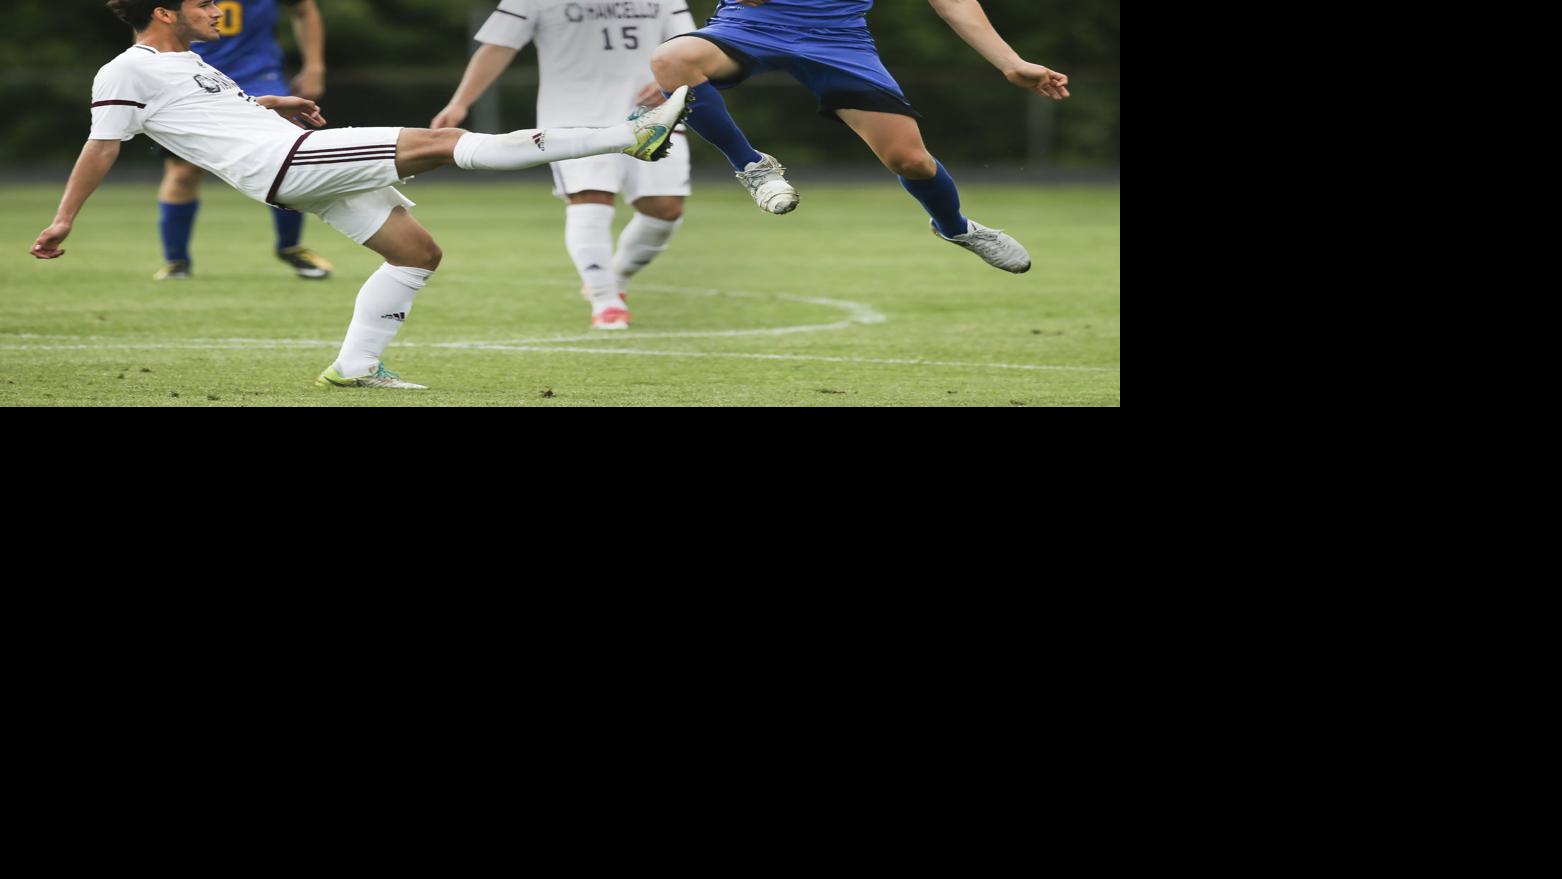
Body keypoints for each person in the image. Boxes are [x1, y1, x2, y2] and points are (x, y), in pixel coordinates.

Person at [31, 0, 691, 390]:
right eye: (203, 3)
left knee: (416, 254)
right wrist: (64, 220)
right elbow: (105, 143)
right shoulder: (125, 68)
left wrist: (273, 99)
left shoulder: (186, 63)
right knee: (446, 140)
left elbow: (206, 115)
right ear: (164, 11)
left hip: (284, 157)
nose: (216, 10)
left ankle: (356, 366)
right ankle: (627, 137)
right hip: (288, 161)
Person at [649, 0, 1070, 273]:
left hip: (840, 42)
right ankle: (752, 166)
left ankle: (955, 227)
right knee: (672, 58)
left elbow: (953, 2)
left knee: (910, 160)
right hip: (747, 28)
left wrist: (1010, 63)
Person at [433, 1, 699, 330]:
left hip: (652, 115)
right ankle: (605, 300)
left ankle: (613, 277)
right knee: (591, 198)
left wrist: (674, 83)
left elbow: (691, 44)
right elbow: (498, 47)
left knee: (665, 209)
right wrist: (460, 103)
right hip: (571, 117)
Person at [153, 0, 335, 281]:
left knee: (287, 161)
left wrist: (314, 67)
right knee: (183, 171)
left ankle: (290, 246)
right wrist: (149, 69)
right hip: (193, 77)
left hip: (259, 77)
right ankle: (177, 261)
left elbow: (303, 8)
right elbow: (147, 21)